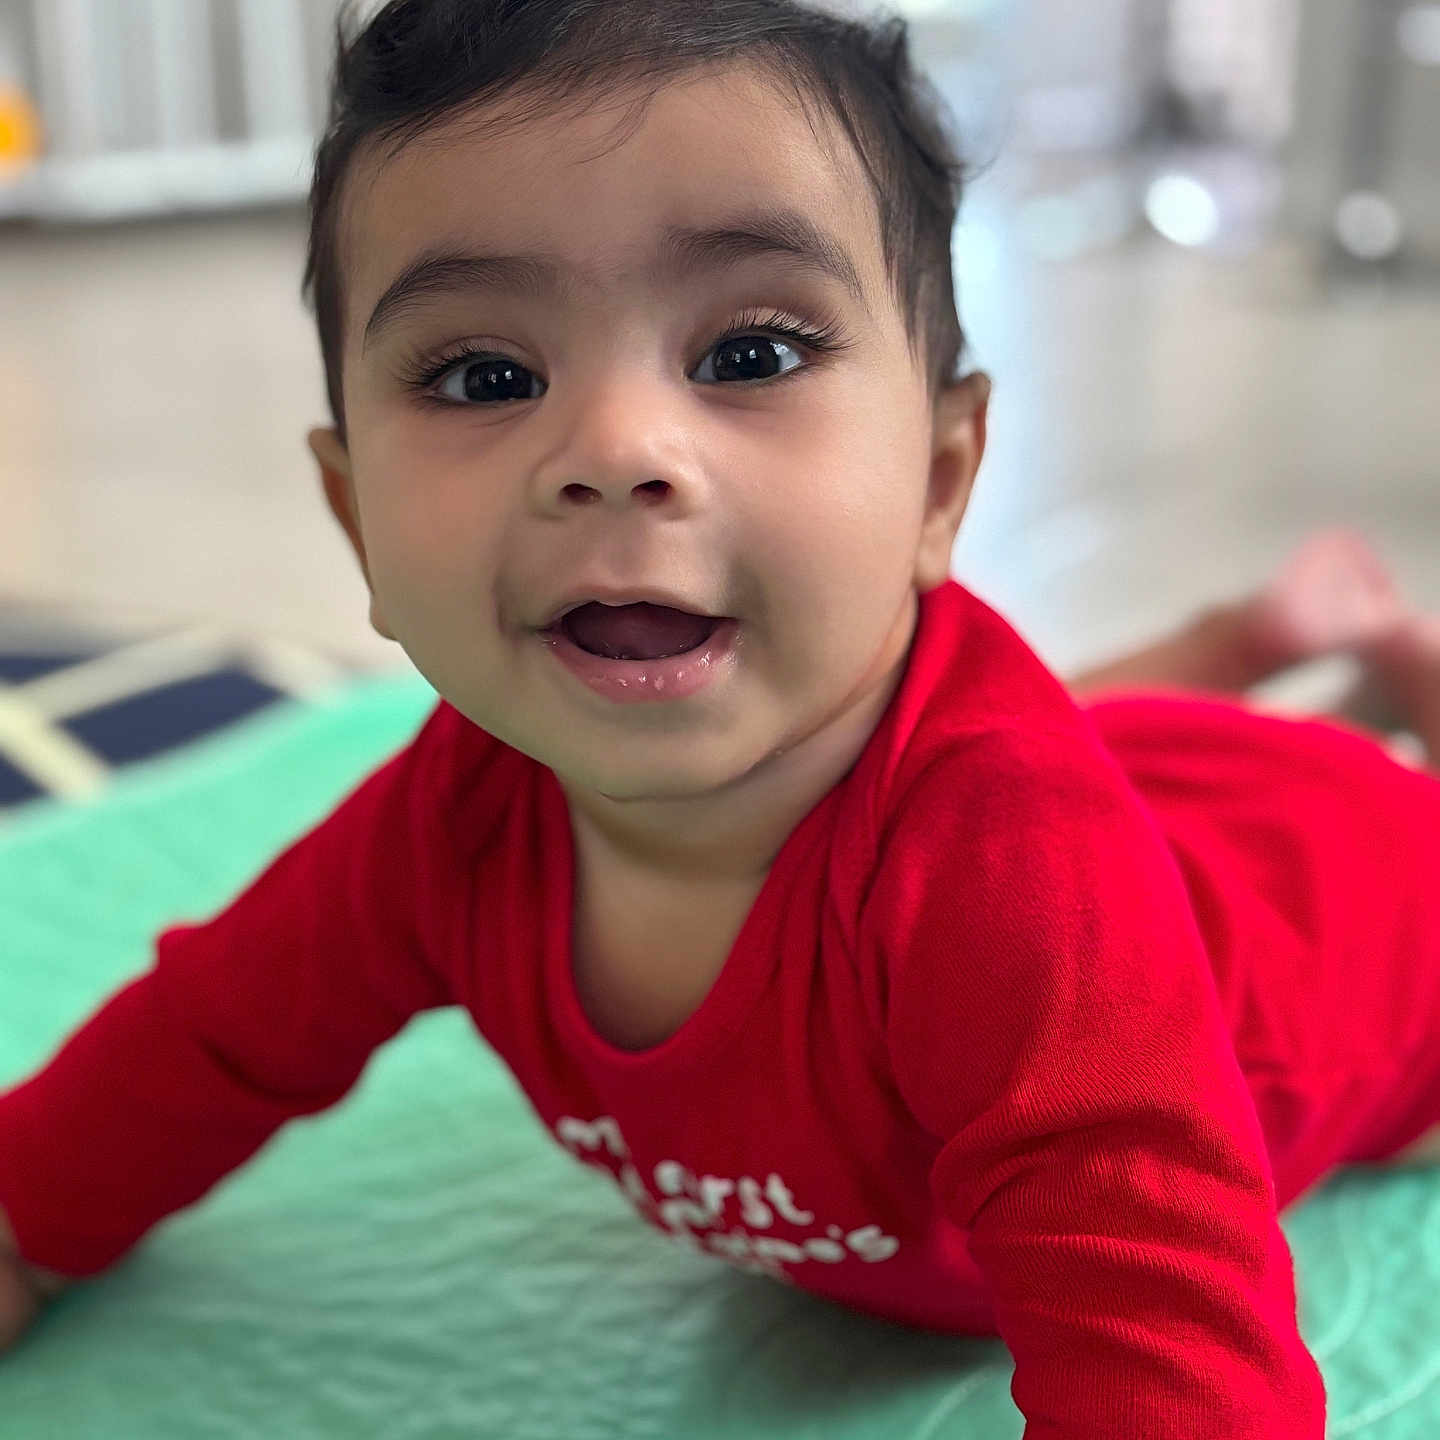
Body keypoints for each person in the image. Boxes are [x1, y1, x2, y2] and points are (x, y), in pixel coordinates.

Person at [2, 2, 1438, 1434]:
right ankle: (1249, 649)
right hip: (1106, 793)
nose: (618, 452)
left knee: (1080, 788)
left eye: (748, 354)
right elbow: (214, 1039)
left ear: (940, 484)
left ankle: (1330, 679)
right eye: (484, 376)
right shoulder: (463, 811)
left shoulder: (1018, 878)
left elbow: (1169, 1340)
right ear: (357, 521)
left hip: (1375, 916)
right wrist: (22, 1225)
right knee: (1045, 746)